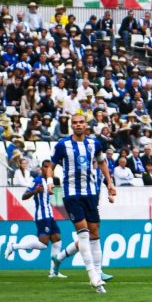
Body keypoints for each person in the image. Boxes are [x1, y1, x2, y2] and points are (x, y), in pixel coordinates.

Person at [50, 112, 116, 292]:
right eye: (75, 123)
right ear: (71, 125)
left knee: (94, 232)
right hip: (71, 194)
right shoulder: (63, 145)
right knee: (84, 233)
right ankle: (93, 276)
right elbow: (51, 165)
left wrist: (109, 183)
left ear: (86, 125)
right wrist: (49, 182)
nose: (78, 125)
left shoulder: (95, 143)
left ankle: (98, 271)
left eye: (81, 122)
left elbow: (102, 162)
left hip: (90, 194)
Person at [6, 160, 68, 278]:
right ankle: (14, 246)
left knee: (57, 240)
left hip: (50, 215)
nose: (47, 169)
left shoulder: (51, 181)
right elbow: (24, 196)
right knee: (43, 244)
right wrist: (34, 191)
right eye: (45, 167)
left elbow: (56, 198)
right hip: (42, 216)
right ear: (41, 168)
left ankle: (53, 272)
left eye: (49, 167)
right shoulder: (37, 180)